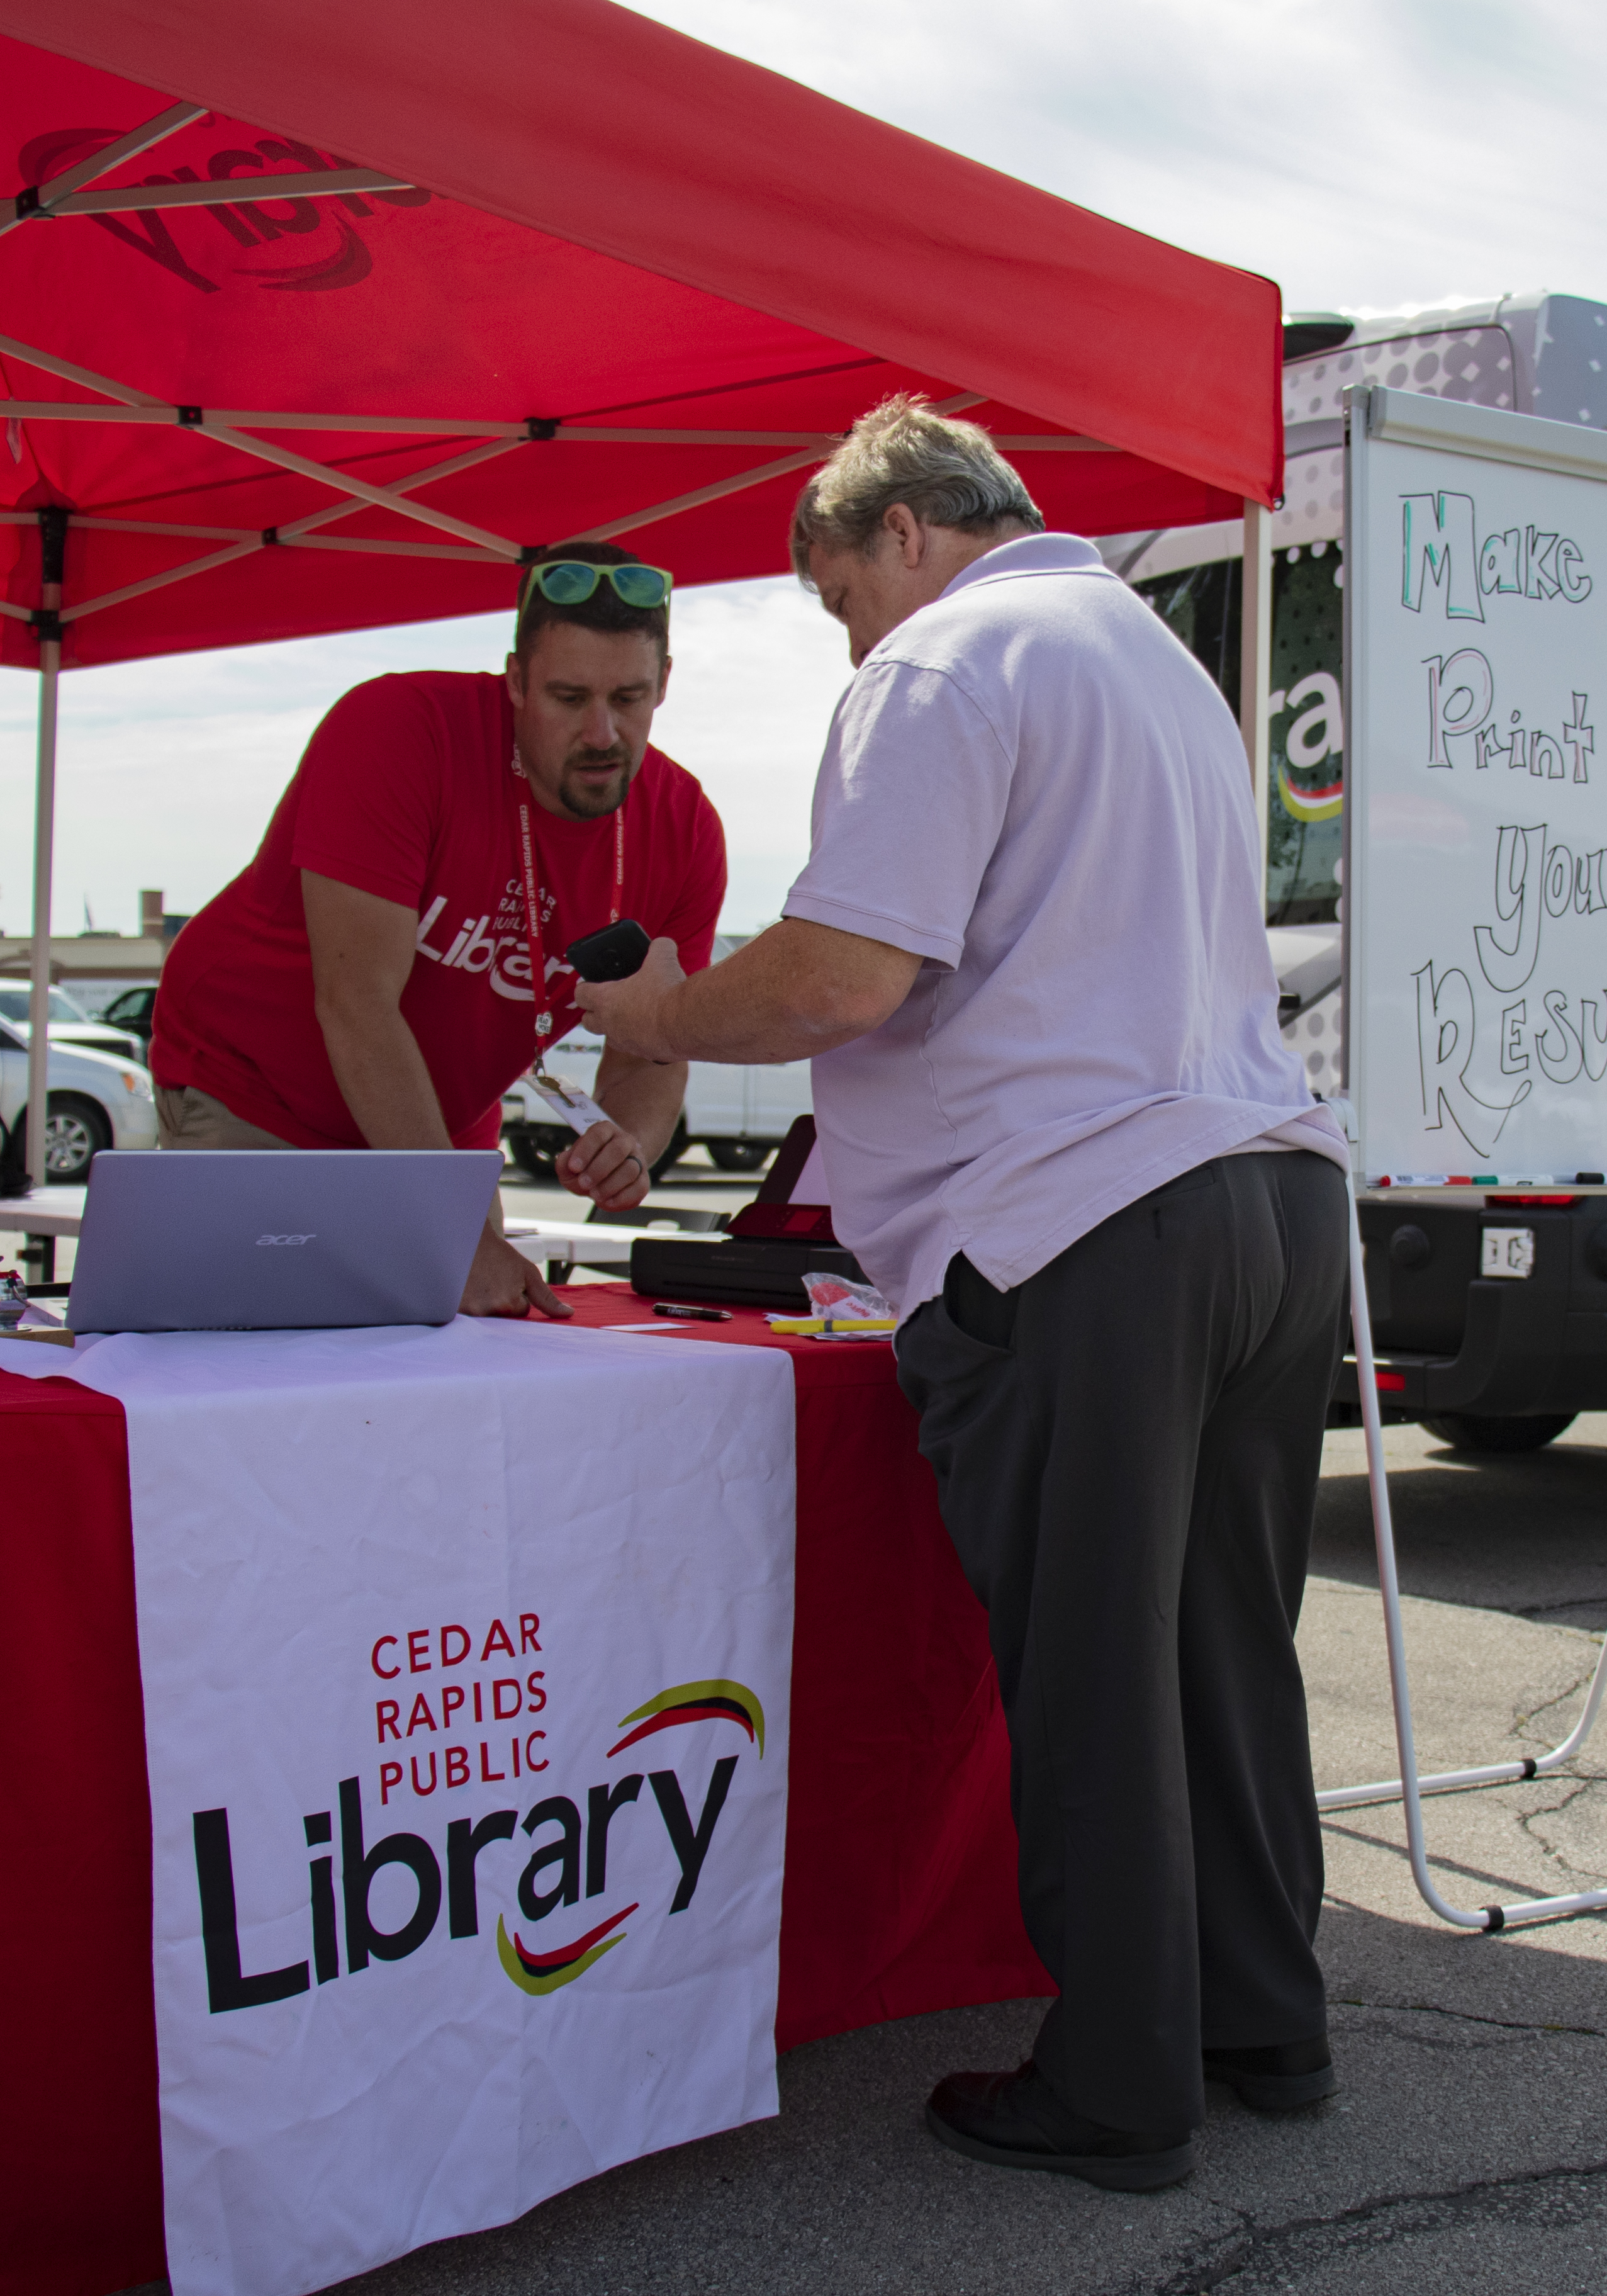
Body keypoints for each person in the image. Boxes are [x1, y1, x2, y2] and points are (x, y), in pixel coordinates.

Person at [578, 399, 1348, 2192]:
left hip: (1083, 1221)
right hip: (1267, 1192)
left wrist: (664, 1013)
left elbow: (845, 976)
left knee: (1088, 1670)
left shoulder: (942, 665)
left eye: (842, 598)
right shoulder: (1151, 662)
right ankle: (1264, 2021)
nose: (852, 637)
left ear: (903, 534)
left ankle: (1117, 2083)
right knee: (1222, 1653)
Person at [149, 541, 725, 1314]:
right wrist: (451, 1236)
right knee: (248, 1368)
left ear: (665, 684)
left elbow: (653, 1047)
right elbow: (357, 1005)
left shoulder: (683, 829)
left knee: (454, 1363)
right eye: (566, 697)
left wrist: (628, 1143)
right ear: (516, 681)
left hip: (436, 1131)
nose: (601, 733)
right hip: (260, 1096)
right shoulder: (398, 730)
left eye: (628, 698)